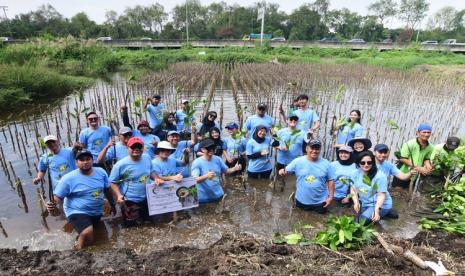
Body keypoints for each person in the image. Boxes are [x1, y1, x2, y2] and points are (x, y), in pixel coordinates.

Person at [47, 149, 116, 249]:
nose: (85, 162)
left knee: (100, 236)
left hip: (96, 211)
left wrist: (112, 204)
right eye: (82, 160)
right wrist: (52, 204)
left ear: (92, 160)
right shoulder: (68, 178)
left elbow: (107, 190)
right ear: (76, 163)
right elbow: (58, 197)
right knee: (87, 232)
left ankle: (79, 241)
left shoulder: (101, 172)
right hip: (76, 210)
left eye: (88, 159)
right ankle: (79, 251)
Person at [109, 137, 161, 227]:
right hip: (130, 200)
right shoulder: (120, 165)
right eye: (133, 147)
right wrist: (118, 195)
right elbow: (112, 182)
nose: (136, 149)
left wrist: (156, 178)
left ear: (143, 148)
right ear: (127, 148)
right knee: (131, 227)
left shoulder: (147, 158)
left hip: (147, 197)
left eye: (139, 147)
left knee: (149, 224)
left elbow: (151, 171)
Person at [279, 139, 335, 214]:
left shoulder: (327, 164)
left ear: (320, 150)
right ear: (306, 149)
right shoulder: (297, 161)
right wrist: (282, 171)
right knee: (300, 219)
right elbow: (286, 170)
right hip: (301, 200)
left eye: (317, 149)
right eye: (312, 148)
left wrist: (331, 197)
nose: (314, 151)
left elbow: (331, 180)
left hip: (320, 202)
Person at [191, 139, 242, 203]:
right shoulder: (197, 162)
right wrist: (206, 176)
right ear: (202, 149)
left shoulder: (217, 159)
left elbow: (226, 170)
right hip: (203, 197)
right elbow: (194, 180)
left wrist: (234, 168)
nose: (211, 150)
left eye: (212, 147)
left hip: (218, 194)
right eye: (208, 148)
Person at [349, 151, 393, 224]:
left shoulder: (380, 176)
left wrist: (376, 210)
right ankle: (385, 213)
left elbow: (381, 195)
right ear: (358, 163)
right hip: (366, 202)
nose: (366, 165)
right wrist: (356, 202)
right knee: (356, 216)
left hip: (379, 203)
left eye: (369, 162)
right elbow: (353, 189)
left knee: (361, 221)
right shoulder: (354, 174)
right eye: (363, 163)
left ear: (373, 162)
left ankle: (385, 210)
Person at [393, 123, 434, 188]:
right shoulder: (409, 144)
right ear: (417, 133)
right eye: (424, 132)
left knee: (408, 190)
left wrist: (428, 166)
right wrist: (418, 168)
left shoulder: (431, 147)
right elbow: (403, 159)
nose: (426, 134)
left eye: (428, 132)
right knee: (397, 190)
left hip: (415, 173)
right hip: (403, 172)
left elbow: (426, 158)